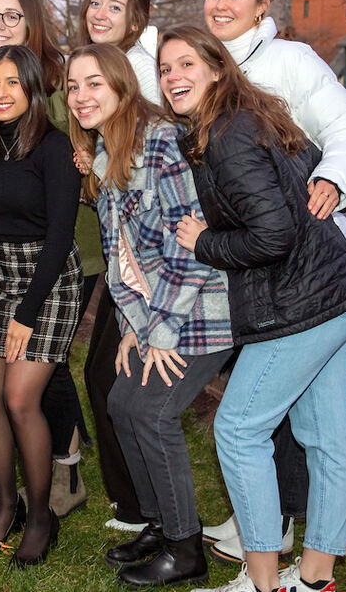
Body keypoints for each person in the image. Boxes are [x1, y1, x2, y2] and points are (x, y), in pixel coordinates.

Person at [158, 25, 346, 592]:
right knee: (324, 437)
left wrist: (203, 241)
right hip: (334, 290)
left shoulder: (228, 134)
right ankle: (314, 580)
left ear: (215, 69)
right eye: (164, 69)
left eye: (186, 64)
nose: (173, 76)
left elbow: (273, 235)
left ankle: (263, 584)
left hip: (303, 302)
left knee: (236, 430)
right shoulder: (240, 119)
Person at [66, 43, 234, 587]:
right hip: (161, 315)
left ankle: (187, 549)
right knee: (120, 402)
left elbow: (194, 247)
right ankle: (162, 526)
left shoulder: (161, 143)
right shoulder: (110, 152)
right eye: (73, 86)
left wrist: (158, 331)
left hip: (204, 312)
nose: (81, 96)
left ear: (120, 85)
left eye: (94, 83)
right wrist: (136, 329)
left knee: (153, 414)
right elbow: (124, 260)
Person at [0, 0, 100, 517]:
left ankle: (62, 478)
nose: (0, 23)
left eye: (12, 15)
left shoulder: (58, 86)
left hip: (67, 247)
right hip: (2, 257)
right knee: (4, 383)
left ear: (32, 25)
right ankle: (24, 490)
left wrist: (91, 159)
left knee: (42, 376)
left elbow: (94, 130)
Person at [0, 44, 82, 567]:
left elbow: (59, 238)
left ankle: (40, 515)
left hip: (47, 282)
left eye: (13, 83)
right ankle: (6, 504)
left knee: (18, 397)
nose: (2, 93)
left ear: (33, 89)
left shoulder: (56, 148)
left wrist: (26, 316)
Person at [73, 0, 164, 534]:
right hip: (123, 262)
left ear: (137, 18)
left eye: (115, 6)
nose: (100, 13)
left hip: (156, 268)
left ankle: (146, 510)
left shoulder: (149, 78)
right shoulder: (92, 71)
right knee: (104, 378)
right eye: (94, 2)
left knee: (121, 384)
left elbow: (149, 180)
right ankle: (133, 505)